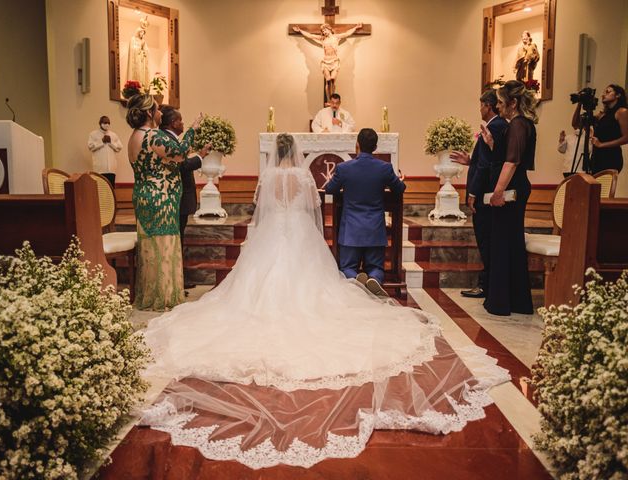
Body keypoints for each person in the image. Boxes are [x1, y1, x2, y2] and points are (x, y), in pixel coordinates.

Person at [139, 133, 509, 469]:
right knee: (318, 285)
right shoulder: (302, 177)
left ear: (275, 153)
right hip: (301, 233)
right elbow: (314, 208)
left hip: (271, 234)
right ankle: (365, 287)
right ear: (296, 153)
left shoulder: (268, 178)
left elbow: (259, 210)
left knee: (254, 285)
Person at [125, 93, 203, 311]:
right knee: (165, 247)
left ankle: (150, 295)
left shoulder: (134, 136)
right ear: (150, 113)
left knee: (150, 248)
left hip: (142, 195)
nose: (160, 113)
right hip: (160, 199)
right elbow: (180, 153)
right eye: (157, 110)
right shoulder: (152, 136)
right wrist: (193, 130)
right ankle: (165, 297)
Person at [324, 128, 406, 296]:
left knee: (347, 266)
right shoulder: (384, 168)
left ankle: (354, 279)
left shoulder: (344, 168)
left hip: (351, 231)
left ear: (357, 145)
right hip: (374, 229)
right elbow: (399, 189)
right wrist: (400, 181)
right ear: (375, 147)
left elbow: (330, 189)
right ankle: (374, 279)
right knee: (376, 267)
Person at [484, 80, 536, 316]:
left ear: (513, 103)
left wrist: (498, 191)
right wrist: (492, 142)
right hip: (515, 186)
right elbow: (509, 154)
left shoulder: (517, 125)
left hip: (512, 189)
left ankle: (502, 302)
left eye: (503, 103)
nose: (499, 107)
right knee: (510, 242)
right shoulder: (521, 124)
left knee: (504, 242)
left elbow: (513, 160)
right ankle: (516, 301)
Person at [450, 90, 508, 299]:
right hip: (490, 191)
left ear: (489, 106)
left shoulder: (494, 127)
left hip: (485, 193)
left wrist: (473, 192)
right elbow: (487, 160)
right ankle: (489, 283)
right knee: (488, 239)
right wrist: (470, 161)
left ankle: (486, 285)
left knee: (485, 239)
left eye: (482, 105)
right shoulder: (501, 126)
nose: (480, 109)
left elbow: (485, 166)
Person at [159, 105, 212, 290]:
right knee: (177, 238)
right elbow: (182, 166)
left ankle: (178, 277)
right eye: (180, 120)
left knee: (179, 238)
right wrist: (201, 155)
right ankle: (176, 280)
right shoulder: (166, 140)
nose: (182, 123)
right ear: (173, 123)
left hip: (180, 194)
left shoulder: (170, 139)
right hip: (179, 195)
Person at [293, 23, 362, 99]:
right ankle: (329, 99)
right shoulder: (322, 39)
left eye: (325, 30)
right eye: (323, 31)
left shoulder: (336, 37)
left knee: (332, 80)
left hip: (334, 61)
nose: (324, 32)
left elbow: (347, 33)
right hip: (326, 62)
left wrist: (355, 27)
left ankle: (332, 98)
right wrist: (300, 30)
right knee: (328, 80)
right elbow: (310, 36)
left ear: (329, 29)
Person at [572, 84, 628, 174]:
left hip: (611, 158)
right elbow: (576, 124)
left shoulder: (621, 111)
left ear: (618, 95)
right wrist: (580, 102)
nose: (603, 95)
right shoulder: (602, 115)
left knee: (604, 187)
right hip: (596, 158)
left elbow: (626, 138)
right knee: (595, 187)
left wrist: (601, 144)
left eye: (608, 92)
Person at [87, 115, 122, 186]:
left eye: (108, 123)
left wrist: (110, 143)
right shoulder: (93, 134)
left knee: (110, 188)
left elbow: (119, 147)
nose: (107, 124)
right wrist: (101, 142)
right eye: (105, 122)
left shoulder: (113, 135)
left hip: (111, 168)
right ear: (100, 123)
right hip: (100, 168)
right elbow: (90, 147)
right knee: (100, 189)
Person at [127, 17, 150, 89]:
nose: (143, 34)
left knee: (142, 76)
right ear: (138, 32)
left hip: (142, 62)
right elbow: (133, 50)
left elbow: (147, 51)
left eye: (144, 33)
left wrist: (144, 50)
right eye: (141, 32)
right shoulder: (133, 39)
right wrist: (140, 46)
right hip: (136, 62)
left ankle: (143, 87)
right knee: (137, 75)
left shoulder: (143, 41)